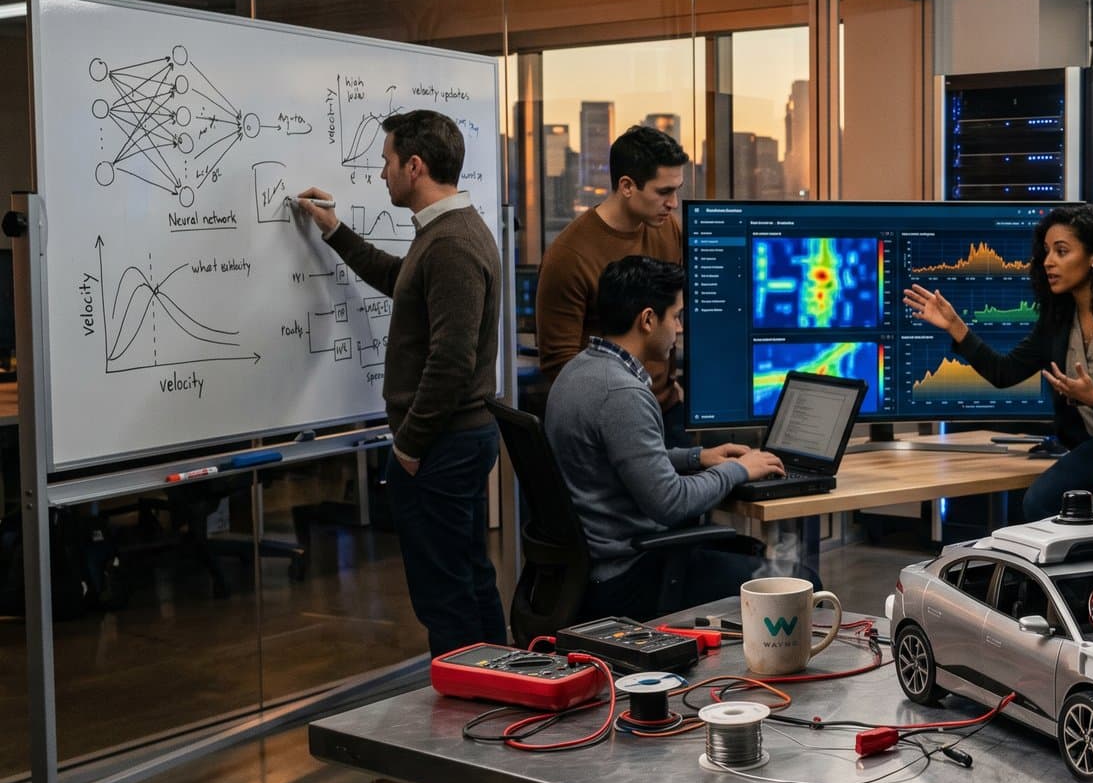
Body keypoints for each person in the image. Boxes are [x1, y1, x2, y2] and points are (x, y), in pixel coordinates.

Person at [297, 110, 505, 660]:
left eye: (387, 161)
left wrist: (409, 446)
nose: (381, 172)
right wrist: (335, 231)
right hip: (450, 441)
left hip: (442, 445)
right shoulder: (442, 235)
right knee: (466, 580)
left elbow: (452, 361)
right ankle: (501, 688)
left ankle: (475, 710)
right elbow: (400, 281)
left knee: (447, 596)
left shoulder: (452, 244)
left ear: (415, 166)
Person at [906, 204, 1093, 523]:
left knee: (1040, 503)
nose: (1048, 262)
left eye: (1061, 251)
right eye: (1046, 252)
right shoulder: (1058, 319)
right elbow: (1005, 372)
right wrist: (957, 328)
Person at [544, 255, 791, 618]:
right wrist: (740, 470)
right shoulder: (621, 393)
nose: (679, 329)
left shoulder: (579, 371)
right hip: (629, 576)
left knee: (749, 556)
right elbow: (671, 503)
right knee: (797, 583)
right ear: (647, 319)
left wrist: (697, 458)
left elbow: (619, 460)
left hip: (586, 572)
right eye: (675, 316)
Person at [535, 124, 688, 412]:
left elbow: (670, 315)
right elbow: (560, 364)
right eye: (664, 192)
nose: (673, 203)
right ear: (627, 186)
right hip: (609, 417)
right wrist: (619, 414)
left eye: (676, 191)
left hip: (664, 408)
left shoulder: (668, 230)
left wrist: (670, 387)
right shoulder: (568, 256)